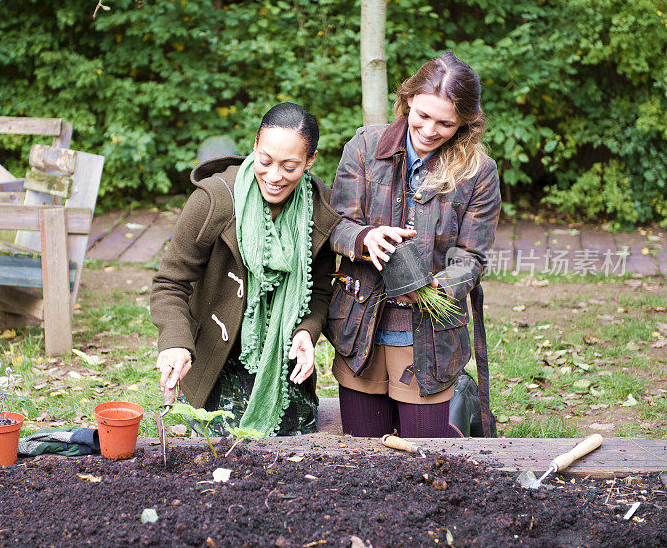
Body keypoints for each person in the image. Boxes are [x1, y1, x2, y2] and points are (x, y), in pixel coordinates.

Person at [325, 53, 500, 438]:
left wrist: (440, 288)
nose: (429, 129)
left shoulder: (478, 172)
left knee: (424, 459)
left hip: (429, 335)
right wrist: (363, 237)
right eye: (422, 115)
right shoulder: (365, 147)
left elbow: (471, 256)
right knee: (366, 454)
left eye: (446, 123)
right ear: (408, 100)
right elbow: (335, 224)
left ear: (466, 124)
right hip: (360, 327)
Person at [150, 102, 341, 436]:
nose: (274, 176)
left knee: (292, 444)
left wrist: (305, 332)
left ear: (311, 160)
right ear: (254, 146)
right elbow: (170, 283)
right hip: (217, 358)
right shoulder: (214, 200)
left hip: (282, 359)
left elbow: (320, 291)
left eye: (290, 166)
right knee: (226, 447)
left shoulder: (319, 210)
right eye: (265, 161)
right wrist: (175, 342)